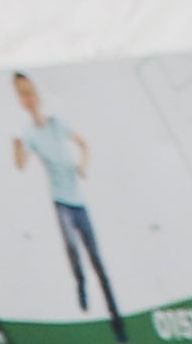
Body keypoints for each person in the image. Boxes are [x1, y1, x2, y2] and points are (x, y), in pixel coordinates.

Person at [14, 70, 121, 319]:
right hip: (61, 202)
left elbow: (83, 143)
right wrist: (16, 149)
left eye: (30, 93)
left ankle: (116, 317)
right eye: (22, 96)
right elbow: (21, 163)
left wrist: (83, 165)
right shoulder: (30, 134)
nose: (28, 99)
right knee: (73, 250)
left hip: (78, 202)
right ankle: (81, 285)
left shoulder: (56, 123)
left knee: (96, 259)